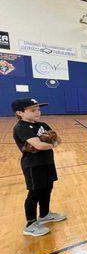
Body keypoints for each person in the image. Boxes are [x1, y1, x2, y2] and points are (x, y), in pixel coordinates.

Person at [12, 98, 67, 237]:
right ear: (20, 112)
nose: (38, 112)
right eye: (33, 110)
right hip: (33, 165)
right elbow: (39, 145)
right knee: (34, 193)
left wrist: (51, 143)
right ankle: (30, 224)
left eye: (38, 109)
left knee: (47, 189)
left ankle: (44, 214)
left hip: (47, 162)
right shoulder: (20, 127)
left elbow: (58, 139)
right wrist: (51, 144)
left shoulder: (42, 124)